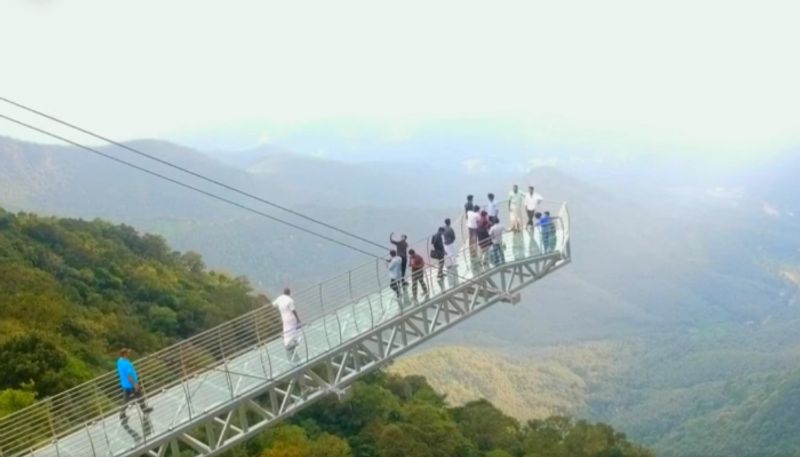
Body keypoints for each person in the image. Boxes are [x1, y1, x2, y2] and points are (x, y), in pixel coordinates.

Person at [117, 348, 153, 420]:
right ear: (124, 354)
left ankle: (122, 414)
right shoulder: (126, 364)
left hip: (125, 384)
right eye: (127, 353)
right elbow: (129, 376)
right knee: (139, 396)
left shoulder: (119, 361)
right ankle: (144, 409)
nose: (128, 355)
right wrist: (135, 384)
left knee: (125, 400)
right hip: (131, 384)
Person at [273, 288, 302, 362]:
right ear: (289, 293)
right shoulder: (290, 300)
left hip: (284, 318)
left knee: (286, 330)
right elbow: (293, 310)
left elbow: (274, 304)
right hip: (291, 317)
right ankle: (295, 341)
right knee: (294, 329)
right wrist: (298, 319)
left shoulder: (280, 298)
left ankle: (287, 343)